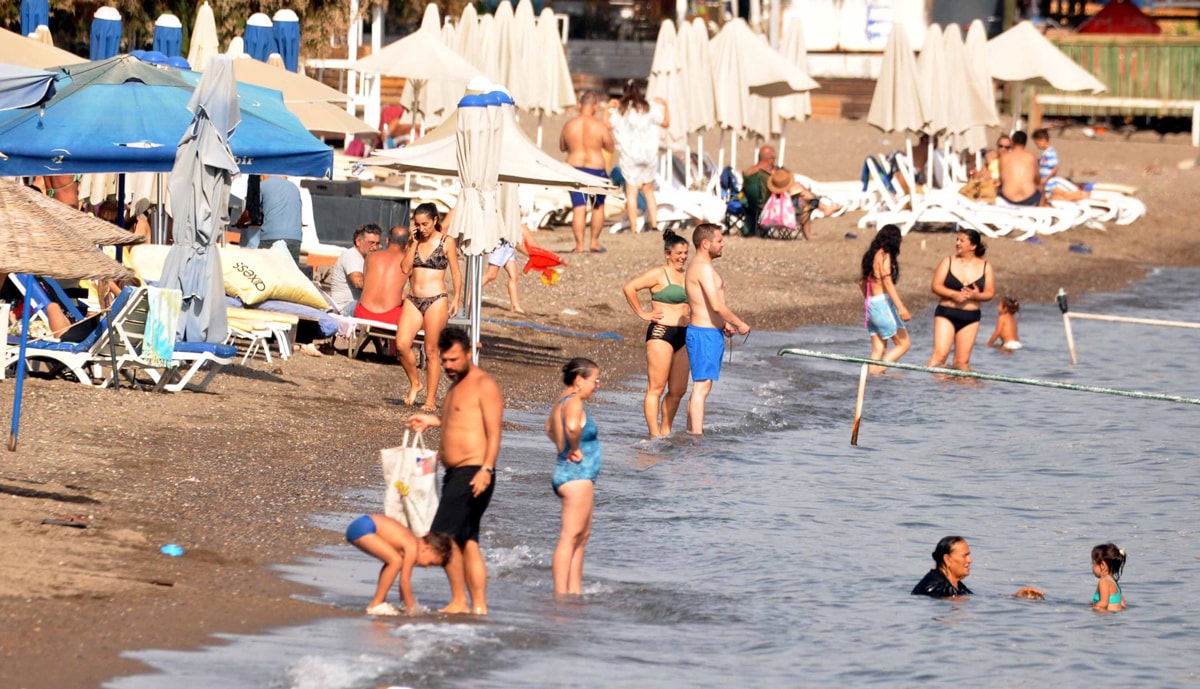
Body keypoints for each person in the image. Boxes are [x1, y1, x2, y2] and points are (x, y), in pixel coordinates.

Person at [405, 327, 502, 615]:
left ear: (469, 352)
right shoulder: (456, 385)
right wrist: (431, 421)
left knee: (442, 537)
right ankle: (479, 607)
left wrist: (486, 468)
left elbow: (494, 432)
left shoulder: (484, 385)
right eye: (444, 361)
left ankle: (459, 601)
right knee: (467, 540)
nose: (448, 366)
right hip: (456, 474)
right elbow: (458, 420)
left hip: (473, 472)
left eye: (453, 360)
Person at [622, 229, 691, 437]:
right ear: (667, 254)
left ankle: (665, 431)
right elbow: (629, 287)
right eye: (679, 253)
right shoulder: (659, 273)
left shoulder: (688, 276)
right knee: (657, 387)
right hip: (661, 332)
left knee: (678, 390)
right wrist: (643, 313)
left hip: (685, 335)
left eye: (686, 253)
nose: (683, 257)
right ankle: (654, 434)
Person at [684, 223, 751, 435]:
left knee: (701, 388)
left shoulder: (704, 266)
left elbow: (708, 306)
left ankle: (690, 433)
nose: (723, 244)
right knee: (701, 389)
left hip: (710, 332)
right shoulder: (702, 267)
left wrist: (724, 325)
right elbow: (716, 305)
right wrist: (740, 324)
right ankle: (696, 438)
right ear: (706, 243)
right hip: (703, 334)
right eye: (719, 240)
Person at [545, 358, 602, 595]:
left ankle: (574, 591)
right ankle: (561, 593)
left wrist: (562, 446)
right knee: (570, 537)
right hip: (576, 475)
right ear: (579, 381)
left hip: (576, 475)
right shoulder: (573, 402)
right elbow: (571, 427)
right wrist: (573, 447)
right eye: (594, 380)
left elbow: (549, 429)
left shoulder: (562, 400)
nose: (597, 385)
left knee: (582, 535)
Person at [399, 203, 462, 410]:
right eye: (417, 224)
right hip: (413, 299)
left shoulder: (447, 242)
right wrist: (414, 243)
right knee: (401, 345)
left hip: (436, 299)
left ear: (435, 220)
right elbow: (405, 268)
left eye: (425, 224)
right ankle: (416, 383)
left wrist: (456, 298)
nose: (421, 228)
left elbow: (455, 272)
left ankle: (430, 400)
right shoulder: (415, 240)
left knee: (431, 350)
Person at [345, 514, 451, 615]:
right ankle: (376, 604)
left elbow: (403, 584)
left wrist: (404, 606)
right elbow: (404, 582)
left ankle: (379, 602)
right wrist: (412, 610)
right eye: (430, 563)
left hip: (362, 525)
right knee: (395, 561)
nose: (427, 567)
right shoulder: (412, 546)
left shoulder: (411, 543)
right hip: (364, 528)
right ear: (428, 549)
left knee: (394, 560)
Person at [926, 229, 994, 371]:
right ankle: (928, 390)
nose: (957, 243)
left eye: (962, 240)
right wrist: (953, 294)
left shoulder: (986, 266)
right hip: (946, 314)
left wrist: (975, 296)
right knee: (939, 357)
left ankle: (959, 393)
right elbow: (935, 286)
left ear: (973, 246)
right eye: (957, 239)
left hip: (971, 318)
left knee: (962, 362)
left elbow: (989, 293)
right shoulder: (948, 261)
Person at [607, 80, 669, 234]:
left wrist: (607, 108)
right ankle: (654, 224)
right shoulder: (649, 108)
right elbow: (666, 123)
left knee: (632, 192)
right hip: (649, 156)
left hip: (630, 156)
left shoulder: (621, 111)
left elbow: (607, 126)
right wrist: (666, 105)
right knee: (649, 191)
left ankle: (634, 228)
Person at [560, 90, 614, 253]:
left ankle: (579, 245)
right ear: (596, 106)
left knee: (579, 206)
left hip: (574, 167)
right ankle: (594, 242)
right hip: (596, 168)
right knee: (598, 206)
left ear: (579, 105)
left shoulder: (569, 124)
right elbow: (609, 147)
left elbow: (562, 147)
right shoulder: (599, 125)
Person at [912, 535, 1044, 599]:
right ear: (947, 559)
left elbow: (980, 598)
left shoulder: (957, 586)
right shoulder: (934, 584)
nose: (970, 560)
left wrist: (1016, 596)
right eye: (965, 556)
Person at [859, 225, 912, 374]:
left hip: (871, 304)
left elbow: (862, 283)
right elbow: (887, 283)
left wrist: (869, 304)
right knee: (904, 344)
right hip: (883, 305)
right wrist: (901, 307)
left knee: (878, 349)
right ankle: (878, 372)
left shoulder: (869, 256)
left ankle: (871, 382)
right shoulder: (885, 256)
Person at [354, 225, 410, 329]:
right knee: (414, 313)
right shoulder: (408, 261)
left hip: (362, 313)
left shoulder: (370, 257)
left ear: (387, 240)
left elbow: (366, 284)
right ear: (406, 246)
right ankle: (396, 345)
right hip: (390, 317)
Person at [330, 223, 382, 316]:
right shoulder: (351, 255)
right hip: (344, 308)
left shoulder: (369, 260)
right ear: (358, 241)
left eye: (377, 244)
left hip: (358, 305)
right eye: (371, 243)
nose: (375, 248)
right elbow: (358, 283)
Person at [996, 131, 1042, 207]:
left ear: (1012, 142)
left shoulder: (1004, 158)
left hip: (1008, 198)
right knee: (1041, 188)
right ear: (1025, 143)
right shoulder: (1031, 156)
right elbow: (1037, 179)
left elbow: (1001, 179)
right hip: (1029, 199)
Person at [481, 239, 525, 315]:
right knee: (491, 275)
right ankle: (470, 295)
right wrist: (531, 254)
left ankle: (515, 305)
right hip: (499, 246)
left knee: (514, 275)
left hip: (509, 246)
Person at [1091, 543, 1127, 612]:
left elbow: (1104, 603)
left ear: (1102, 565)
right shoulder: (1115, 583)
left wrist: (1089, 609)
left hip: (1105, 619)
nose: (1092, 567)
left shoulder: (1104, 581)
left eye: (1093, 563)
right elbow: (1123, 604)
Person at [1031, 128, 1059, 198]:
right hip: (1045, 186)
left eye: (1037, 143)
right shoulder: (1045, 152)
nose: (1037, 146)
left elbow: (1055, 168)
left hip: (1049, 186)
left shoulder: (1050, 152)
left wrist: (1045, 180)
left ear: (1043, 140)